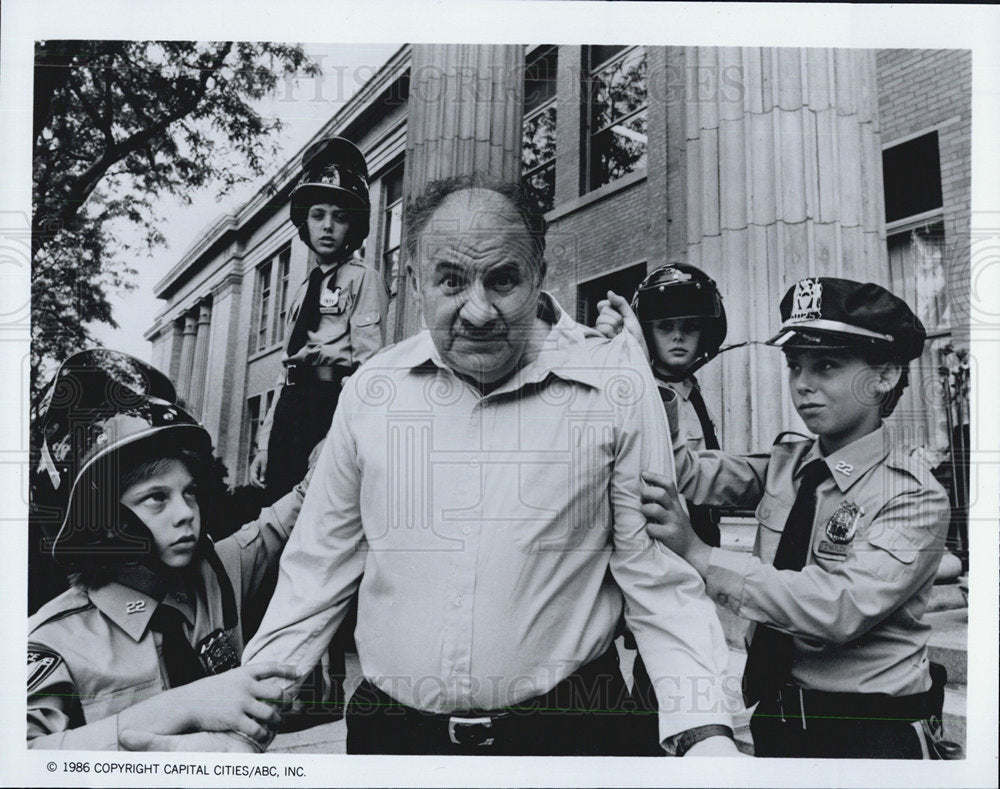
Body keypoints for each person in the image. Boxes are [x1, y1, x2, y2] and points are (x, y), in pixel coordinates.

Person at [235, 174, 739, 757]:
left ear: (539, 275)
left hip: (573, 738)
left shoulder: (616, 386)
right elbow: (315, 572)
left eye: (503, 280)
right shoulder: (370, 392)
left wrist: (705, 736)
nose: (477, 311)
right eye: (451, 280)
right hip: (395, 743)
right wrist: (247, 715)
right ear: (415, 281)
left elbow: (658, 581)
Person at [640, 277, 954, 759]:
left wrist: (701, 556)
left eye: (826, 365)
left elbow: (838, 608)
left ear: (886, 374)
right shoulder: (791, 464)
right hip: (778, 717)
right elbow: (684, 472)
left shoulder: (911, 495)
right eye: (794, 366)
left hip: (868, 733)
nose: (803, 385)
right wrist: (655, 376)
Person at [27, 350, 301, 750]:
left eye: (189, 492)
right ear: (99, 518)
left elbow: (302, 507)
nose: (186, 513)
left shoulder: (219, 572)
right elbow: (19, 757)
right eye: (156, 498)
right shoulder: (55, 639)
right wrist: (181, 707)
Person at [594, 263, 729, 754]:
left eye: (689, 327)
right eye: (665, 327)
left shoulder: (691, 390)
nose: (677, 338)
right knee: (657, 695)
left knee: (664, 691)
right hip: (650, 563)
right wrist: (615, 348)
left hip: (687, 552)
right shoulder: (636, 384)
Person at [248, 135, 389, 502]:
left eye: (340, 217)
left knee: (315, 513)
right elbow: (284, 371)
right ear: (304, 222)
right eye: (318, 215)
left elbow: (367, 369)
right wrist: (264, 443)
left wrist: (337, 436)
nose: (328, 226)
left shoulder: (363, 278)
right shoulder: (301, 292)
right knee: (274, 509)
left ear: (353, 226)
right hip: (291, 409)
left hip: (328, 405)